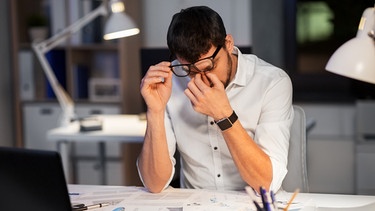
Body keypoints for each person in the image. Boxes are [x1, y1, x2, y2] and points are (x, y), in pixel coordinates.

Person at [137, 5, 294, 193]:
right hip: (195, 204)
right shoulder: (170, 82)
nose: (201, 79)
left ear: (228, 44)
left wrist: (223, 114)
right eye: (190, 71)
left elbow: (266, 183)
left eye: (209, 66)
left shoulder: (272, 82)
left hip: (254, 204)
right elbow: (155, 184)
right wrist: (155, 111)